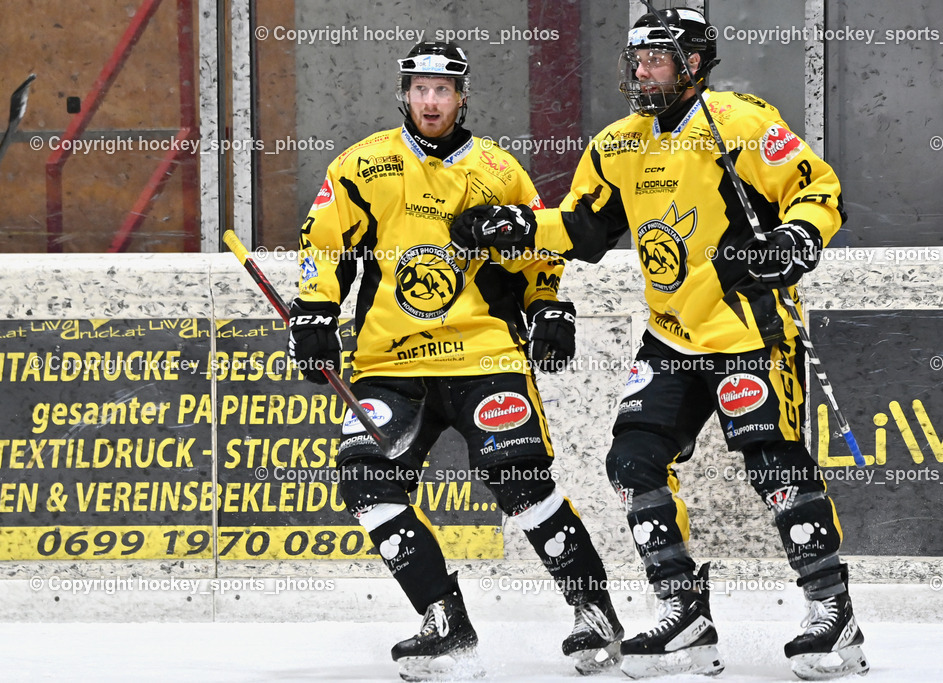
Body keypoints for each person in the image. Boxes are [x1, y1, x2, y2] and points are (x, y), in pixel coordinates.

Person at [449, 8, 869, 681]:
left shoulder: (739, 121)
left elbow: (818, 189)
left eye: (658, 59)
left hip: (745, 330)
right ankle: (683, 611)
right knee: (633, 460)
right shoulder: (619, 144)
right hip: (670, 336)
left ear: (694, 64)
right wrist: (516, 227)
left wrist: (792, 240)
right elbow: (583, 230)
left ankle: (833, 611)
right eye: (637, 59)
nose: (642, 71)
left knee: (771, 461)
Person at [287, 40, 623, 680]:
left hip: (483, 354)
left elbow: (536, 251)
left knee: (520, 483)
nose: (431, 101)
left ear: (463, 96)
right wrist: (312, 315)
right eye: (420, 88)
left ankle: (594, 611)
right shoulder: (363, 165)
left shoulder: (500, 171)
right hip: (392, 361)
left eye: (443, 90)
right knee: (366, 481)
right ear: (404, 93)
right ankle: (443, 620)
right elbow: (322, 246)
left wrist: (549, 306)